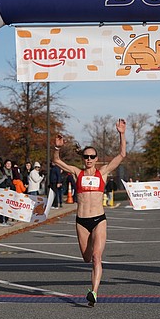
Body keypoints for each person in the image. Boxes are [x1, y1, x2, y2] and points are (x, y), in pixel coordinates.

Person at [52, 118, 127, 307]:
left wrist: (121, 133)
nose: (89, 159)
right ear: (83, 158)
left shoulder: (102, 173)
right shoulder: (77, 173)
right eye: (86, 156)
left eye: (92, 156)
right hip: (81, 221)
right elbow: (56, 161)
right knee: (86, 258)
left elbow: (122, 155)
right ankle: (92, 288)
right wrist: (57, 147)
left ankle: (94, 292)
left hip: (99, 219)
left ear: (96, 158)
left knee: (96, 257)